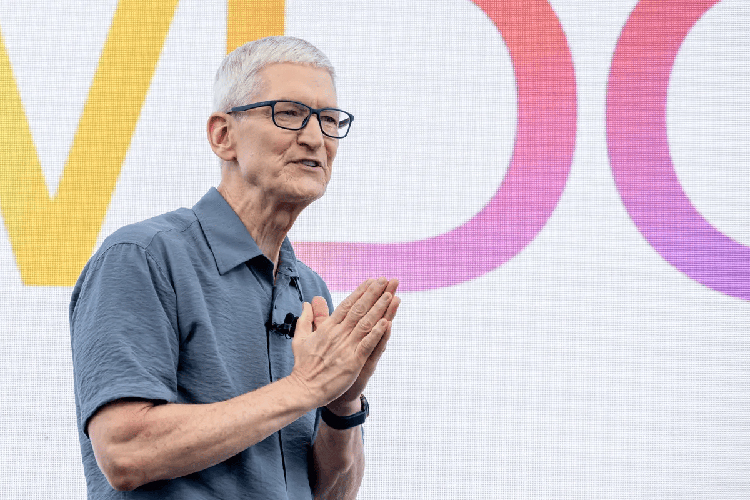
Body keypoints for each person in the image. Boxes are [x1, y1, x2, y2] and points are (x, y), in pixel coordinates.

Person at [69, 36, 400, 499]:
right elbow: (126, 452)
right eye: (289, 113)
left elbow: (330, 495)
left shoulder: (310, 288)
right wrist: (305, 387)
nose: (315, 138)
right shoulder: (143, 256)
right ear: (223, 135)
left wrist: (341, 402)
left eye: (329, 120)